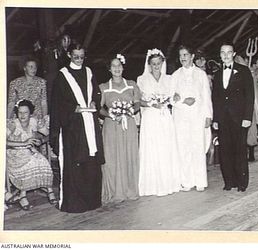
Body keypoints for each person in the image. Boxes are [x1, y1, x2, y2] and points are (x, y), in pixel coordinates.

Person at [50, 43, 104, 213]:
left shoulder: (89, 72)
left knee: (91, 161)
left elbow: (96, 92)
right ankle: (75, 203)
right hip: (73, 126)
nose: (79, 60)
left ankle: (92, 200)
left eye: (82, 57)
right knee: (76, 163)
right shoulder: (62, 76)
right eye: (76, 57)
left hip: (89, 122)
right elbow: (58, 103)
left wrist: (95, 101)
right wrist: (75, 108)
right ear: (69, 55)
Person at [137, 48, 181, 196]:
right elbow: (139, 101)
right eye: (153, 63)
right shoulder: (142, 80)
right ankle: (152, 184)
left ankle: (168, 182)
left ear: (163, 63)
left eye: (158, 63)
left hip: (164, 117)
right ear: (149, 64)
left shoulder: (169, 79)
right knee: (152, 147)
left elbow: (174, 95)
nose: (156, 66)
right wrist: (151, 104)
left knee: (165, 147)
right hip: (150, 117)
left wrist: (172, 98)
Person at [212, 42, 254, 192]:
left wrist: (247, 117)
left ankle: (242, 183)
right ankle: (229, 182)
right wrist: (215, 119)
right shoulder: (217, 74)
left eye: (229, 52)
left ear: (234, 54)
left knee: (240, 150)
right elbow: (215, 98)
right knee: (225, 151)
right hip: (223, 119)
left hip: (239, 118)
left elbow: (250, 95)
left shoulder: (243, 71)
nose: (226, 55)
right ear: (220, 55)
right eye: (223, 52)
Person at [99, 54, 140, 203]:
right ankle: (115, 190)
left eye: (119, 65)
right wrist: (110, 114)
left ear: (123, 67)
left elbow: (137, 103)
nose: (117, 68)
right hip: (111, 126)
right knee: (112, 157)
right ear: (109, 69)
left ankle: (129, 189)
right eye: (113, 66)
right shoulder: (103, 87)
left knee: (129, 155)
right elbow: (99, 108)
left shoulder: (131, 84)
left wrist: (130, 111)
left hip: (128, 125)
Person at [171, 45, 212, 192]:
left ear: (192, 56)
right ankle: (187, 181)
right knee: (183, 148)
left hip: (197, 115)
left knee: (197, 146)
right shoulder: (175, 75)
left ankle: (200, 181)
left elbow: (206, 96)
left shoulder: (201, 75)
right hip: (181, 117)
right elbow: (170, 98)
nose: (183, 58)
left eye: (186, 55)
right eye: (181, 55)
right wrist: (181, 101)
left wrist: (208, 115)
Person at [6, 99, 57, 210]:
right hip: (14, 154)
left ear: (31, 113)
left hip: (30, 152)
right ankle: (23, 195)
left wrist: (42, 140)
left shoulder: (35, 121)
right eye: (20, 112)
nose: (22, 115)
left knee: (43, 162)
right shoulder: (12, 124)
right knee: (32, 161)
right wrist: (22, 143)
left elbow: (50, 134)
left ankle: (50, 190)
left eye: (25, 112)